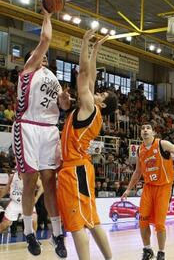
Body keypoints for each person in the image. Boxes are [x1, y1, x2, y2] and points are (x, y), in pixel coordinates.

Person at [12, 6, 71, 257]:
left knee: (50, 182)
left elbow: (64, 105)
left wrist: (66, 100)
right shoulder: (28, 71)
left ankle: (58, 235)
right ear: (32, 58)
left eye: (45, 57)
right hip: (28, 127)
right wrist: (47, 14)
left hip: (49, 130)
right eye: (40, 55)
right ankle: (28, 231)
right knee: (30, 180)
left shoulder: (53, 78)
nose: (44, 57)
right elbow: (45, 40)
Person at [56, 29, 118, 260]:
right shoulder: (91, 109)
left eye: (101, 94)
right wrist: (96, 49)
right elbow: (90, 77)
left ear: (101, 105)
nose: (97, 92)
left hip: (75, 170)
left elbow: (83, 74)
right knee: (91, 220)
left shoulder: (90, 107)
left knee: (77, 225)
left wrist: (83, 42)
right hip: (80, 168)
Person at [122, 124, 174, 260]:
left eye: (148, 128)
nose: (145, 130)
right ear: (140, 133)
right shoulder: (140, 150)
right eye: (142, 128)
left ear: (153, 132)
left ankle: (161, 252)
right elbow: (138, 172)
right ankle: (147, 249)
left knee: (159, 224)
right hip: (148, 188)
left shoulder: (162, 144)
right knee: (142, 221)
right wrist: (128, 189)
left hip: (164, 187)